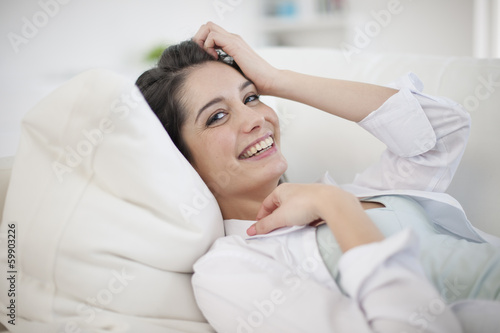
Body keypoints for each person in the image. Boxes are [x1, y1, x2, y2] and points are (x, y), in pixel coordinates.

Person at [136, 22, 500, 333]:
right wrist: (337, 209)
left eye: (250, 98)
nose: (255, 119)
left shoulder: (353, 191)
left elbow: (442, 132)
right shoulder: (228, 270)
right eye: (216, 117)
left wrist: (276, 80)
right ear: (180, 161)